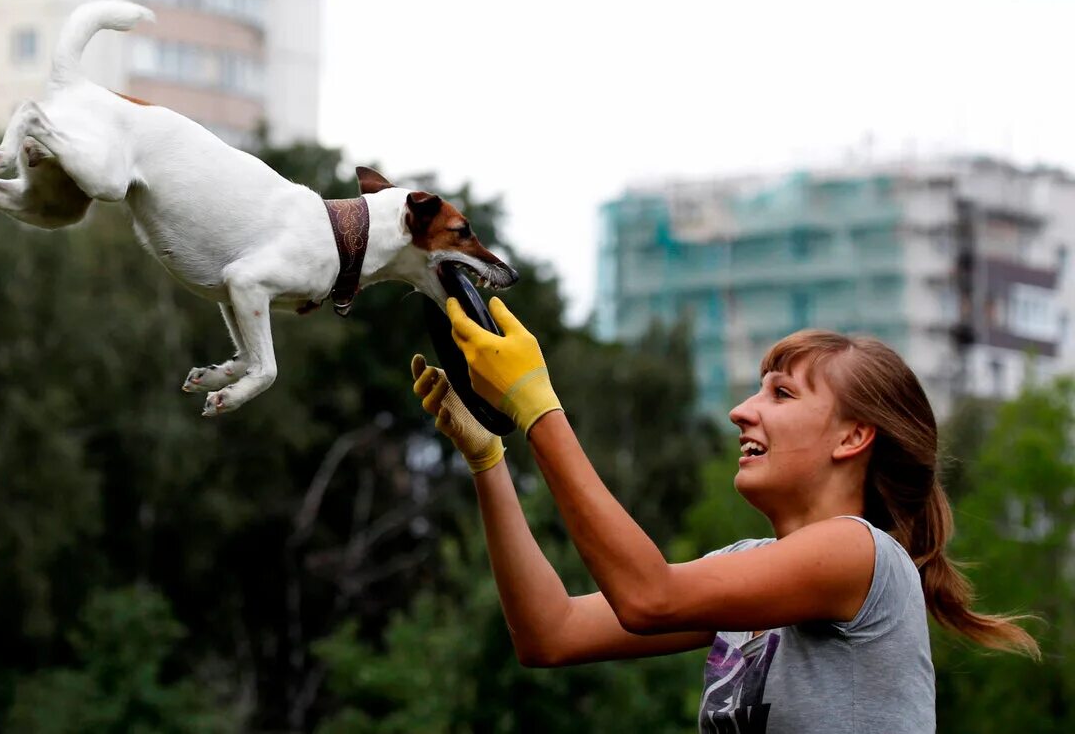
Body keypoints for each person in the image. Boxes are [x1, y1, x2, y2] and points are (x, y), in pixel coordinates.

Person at [410, 296, 1039, 734]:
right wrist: (489, 461)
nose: (741, 410)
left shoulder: (860, 554)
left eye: (782, 393)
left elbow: (647, 597)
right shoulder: (748, 570)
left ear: (852, 439)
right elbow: (549, 634)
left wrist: (537, 405)